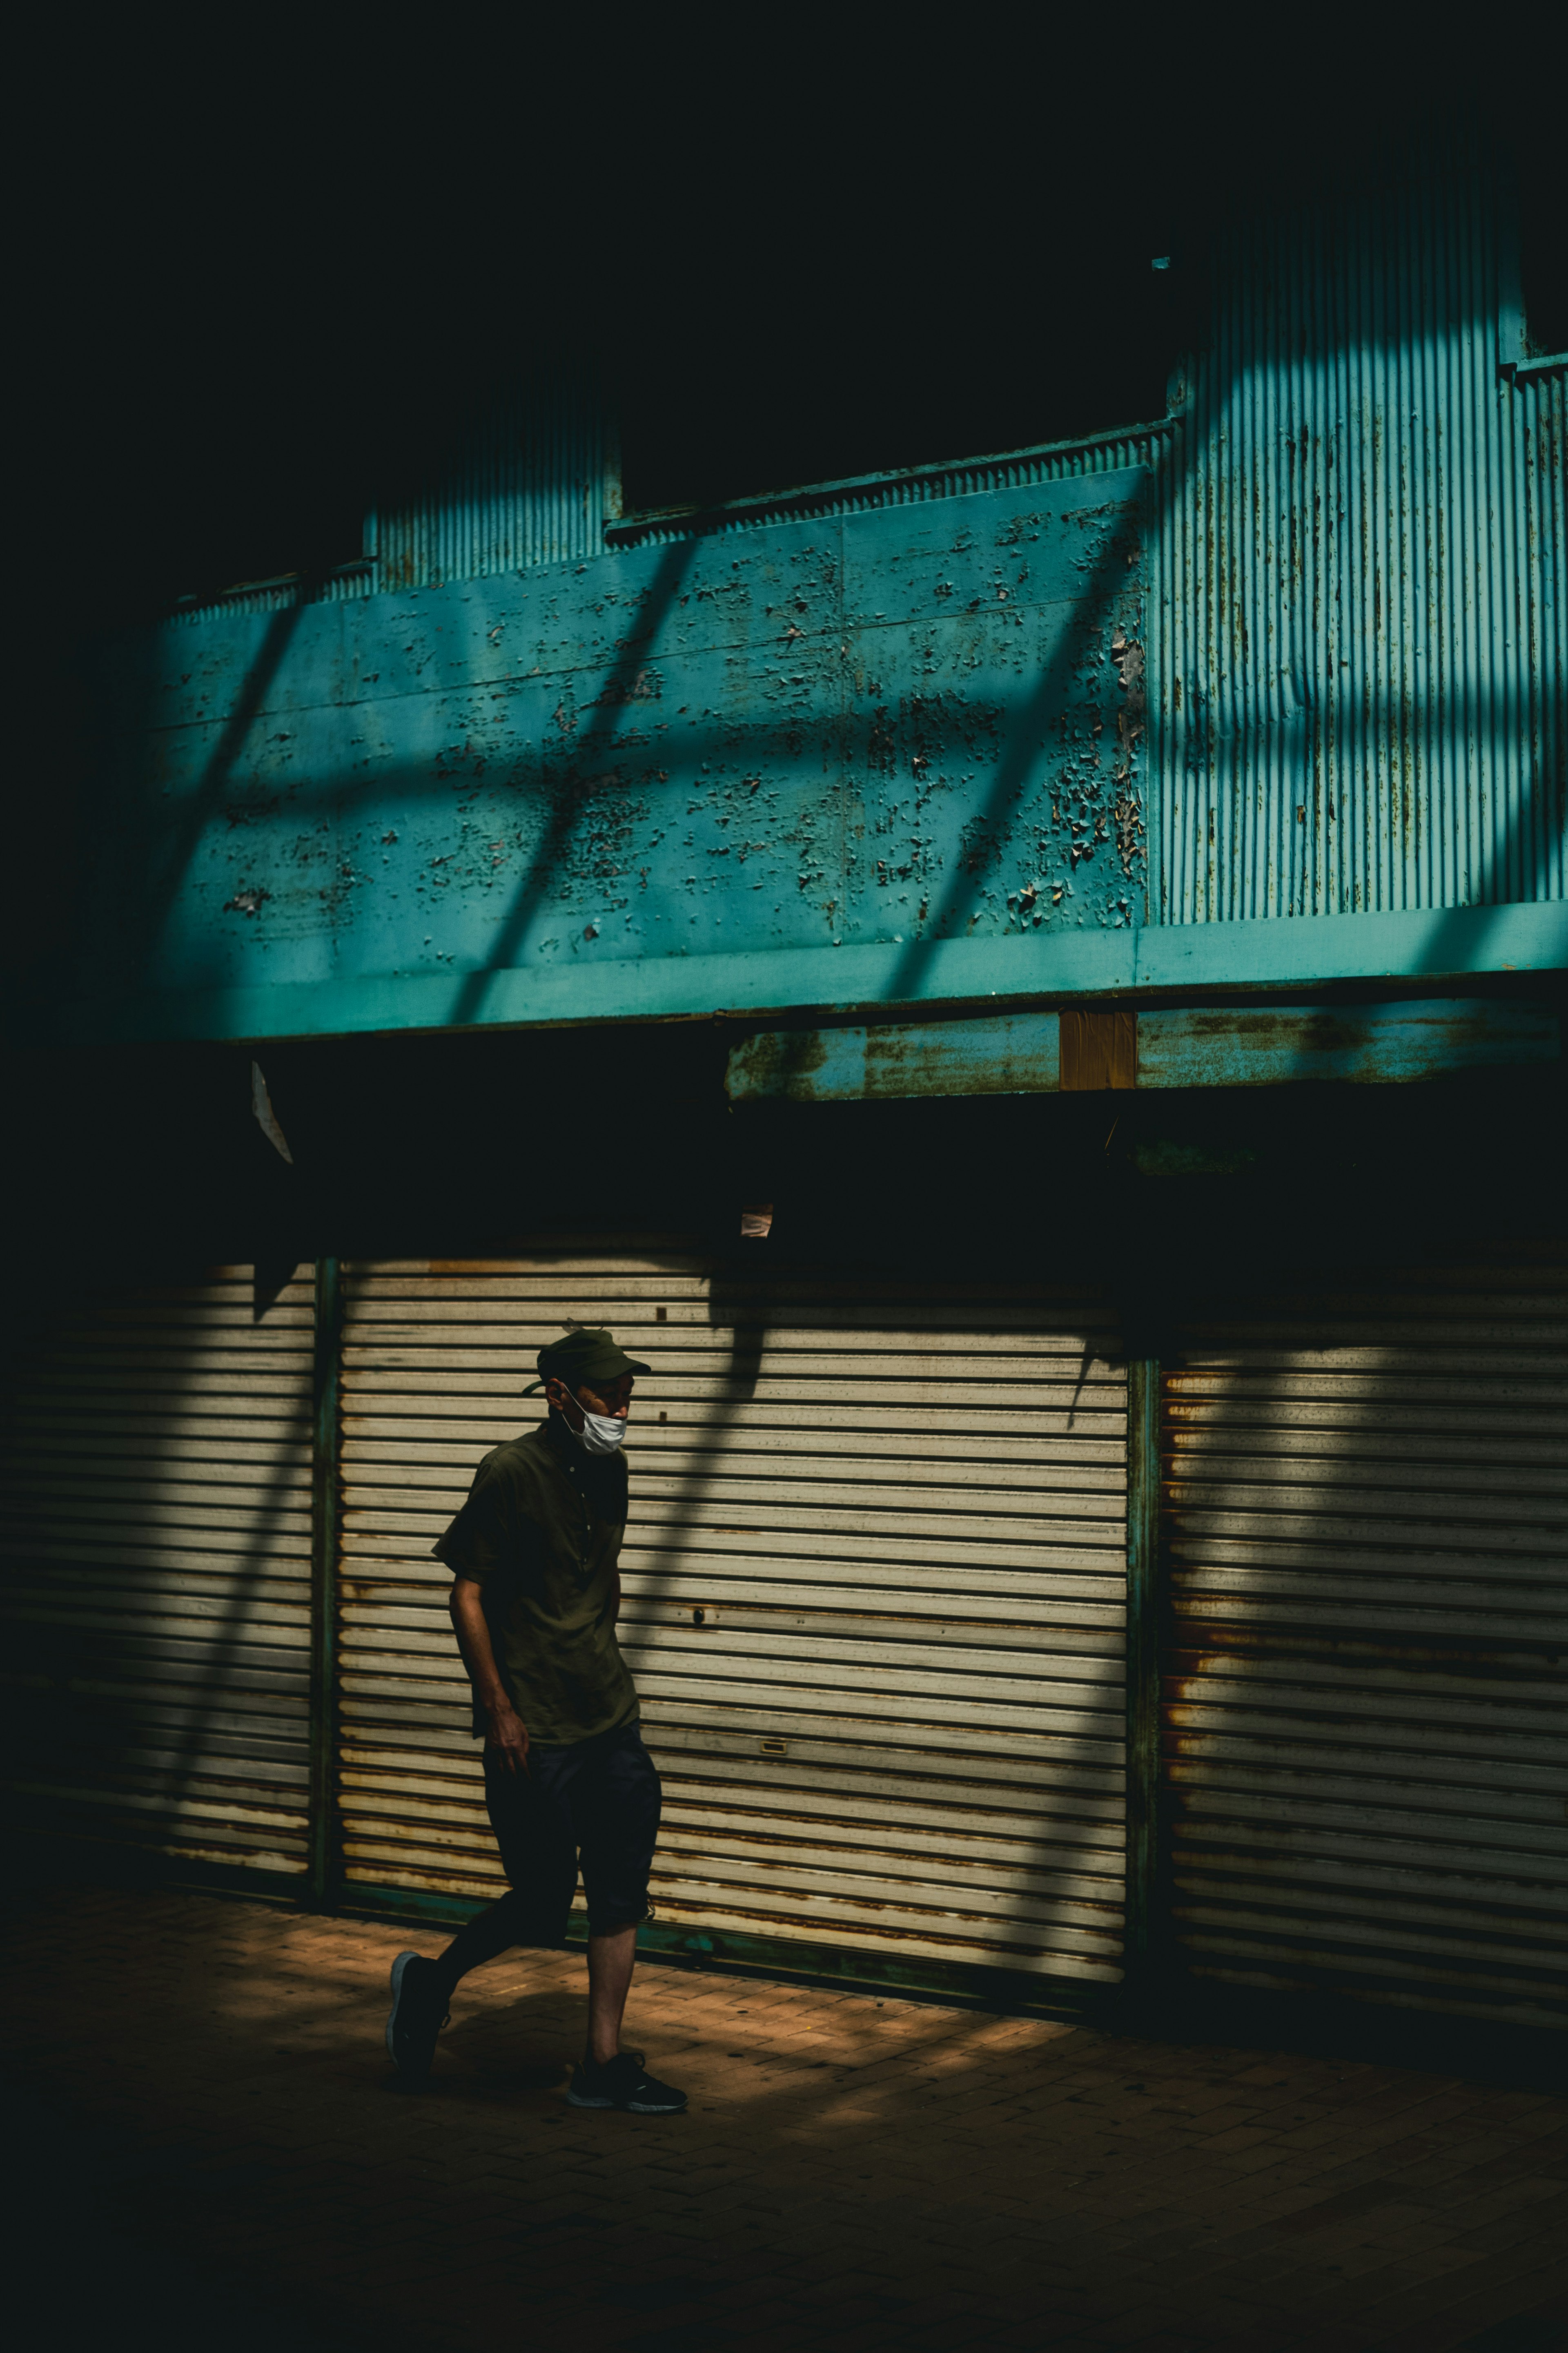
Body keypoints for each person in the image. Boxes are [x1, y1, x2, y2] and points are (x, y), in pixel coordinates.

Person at [383, 1326, 686, 2114]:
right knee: (544, 1902)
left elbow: (603, 1576)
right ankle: (431, 1980)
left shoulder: (612, 1469)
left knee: (621, 1896)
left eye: (628, 1390)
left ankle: (602, 2064)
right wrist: (500, 1708)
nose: (624, 1404)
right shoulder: (509, 1471)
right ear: (559, 1393)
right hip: (535, 1730)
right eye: (609, 1392)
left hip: (610, 1720)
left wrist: (601, 1657)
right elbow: (469, 1592)